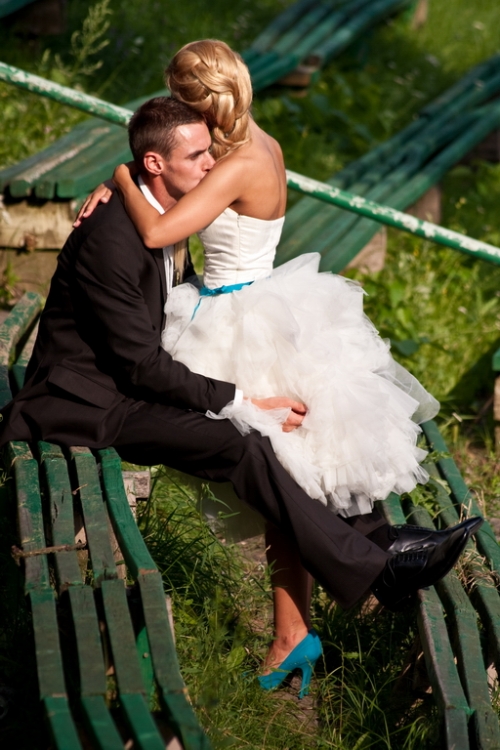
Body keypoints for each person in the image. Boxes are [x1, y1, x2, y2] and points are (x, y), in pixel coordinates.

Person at [8, 94, 478, 702]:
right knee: (245, 440)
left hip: (125, 386)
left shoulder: (158, 200)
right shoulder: (112, 241)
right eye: (197, 155)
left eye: (210, 150)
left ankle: (375, 551)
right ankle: (377, 567)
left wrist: (115, 177)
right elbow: (141, 366)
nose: (212, 164)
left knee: (279, 423)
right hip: (86, 402)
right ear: (156, 163)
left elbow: (149, 349)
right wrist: (241, 400)